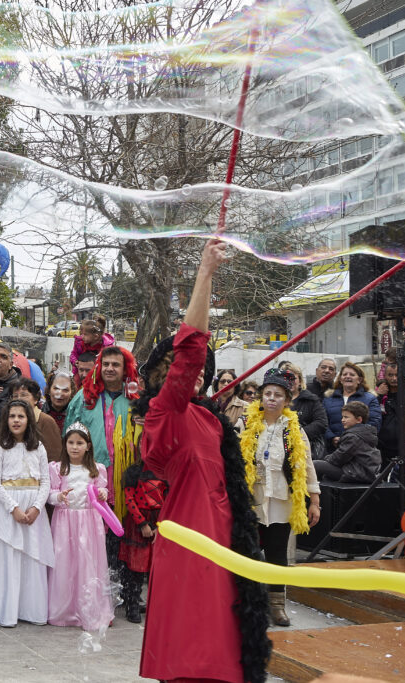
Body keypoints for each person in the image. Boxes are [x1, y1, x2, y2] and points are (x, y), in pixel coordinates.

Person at [137, 240, 271, 683]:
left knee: (229, 651)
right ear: (161, 376)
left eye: (198, 371)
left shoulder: (210, 419)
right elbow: (191, 348)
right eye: (176, 369)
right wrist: (205, 273)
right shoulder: (164, 413)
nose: (191, 372)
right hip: (193, 541)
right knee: (196, 653)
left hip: (228, 540)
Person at [237, 367, 320, 628]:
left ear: (286, 400)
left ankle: (277, 606)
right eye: (267, 394)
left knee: (277, 554)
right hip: (253, 499)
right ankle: (249, 604)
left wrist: (315, 500)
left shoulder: (293, 428)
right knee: (248, 552)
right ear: (260, 398)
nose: (272, 399)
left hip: (281, 501)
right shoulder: (246, 423)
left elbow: (307, 465)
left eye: (278, 395)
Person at [0, 400, 55, 628]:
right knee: (10, 558)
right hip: (9, 507)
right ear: (6, 420)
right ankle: (8, 612)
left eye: (21, 416)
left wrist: (37, 507)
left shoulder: (39, 448)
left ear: (29, 420)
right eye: (12, 416)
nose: (16, 420)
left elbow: (45, 481)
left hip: (33, 509)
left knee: (32, 558)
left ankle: (33, 611)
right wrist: (13, 508)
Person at [64, 345, 140, 529]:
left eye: (115, 364)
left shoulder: (135, 399)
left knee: (122, 530)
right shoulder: (84, 397)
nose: (109, 368)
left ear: (125, 369)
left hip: (126, 476)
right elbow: (67, 435)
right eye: (105, 364)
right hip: (90, 475)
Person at [47, 422, 113, 631]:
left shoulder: (96, 469)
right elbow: (49, 494)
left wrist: (103, 494)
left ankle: (90, 608)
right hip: (65, 522)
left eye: (80, 443)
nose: (75, 447)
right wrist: (58, 496)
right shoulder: (58, 468)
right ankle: (65, 610)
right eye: (71, 442)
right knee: (65, 562)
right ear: (65, 445)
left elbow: (103, 493)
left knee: (88, 563)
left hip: (89, 523)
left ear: (88, 446)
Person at [119, 451, 165, 624]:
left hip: (159, 521)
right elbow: (129, 499)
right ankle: (132, 603)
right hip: (138, 523)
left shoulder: (165, 473)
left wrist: (160, 526)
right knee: (136, 566)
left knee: (156, 567)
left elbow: (168, 500)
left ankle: (155, 604)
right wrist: (142, 523)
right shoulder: (133, 471)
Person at [314, 401, 381, 484]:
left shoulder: (354, 436)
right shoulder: (362, 433)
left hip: (358, 473)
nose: (342, 420)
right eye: (342, 417)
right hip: (362, 472)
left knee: (316, 465)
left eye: (346, 417)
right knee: (325, 474)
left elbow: (338, 458)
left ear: (359, 419)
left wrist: (326, 459)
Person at [323, 362, 381, 453]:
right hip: (333, 449)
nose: (347, 376)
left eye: (352, 374)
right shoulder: (329, 399)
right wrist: (332, 437)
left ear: (359, 380)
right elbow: (323, 421)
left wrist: (352, 439)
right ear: (340, 379)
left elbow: (374, 423)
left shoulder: (370, 399)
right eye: (344, 374)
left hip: (360, 449)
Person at [279, 361, 329, 461]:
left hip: (306, 450)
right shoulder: (277, 401)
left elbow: (321, 423)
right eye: (286, 378)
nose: (290, 381)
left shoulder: (311, 399)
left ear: (300, 381)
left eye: (293, 378)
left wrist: (298, 434)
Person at [10, 378, 62, 462]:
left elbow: (54, 457)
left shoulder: (46, 421)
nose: (19, 399)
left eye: (24, 395)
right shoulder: (9, 421)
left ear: (36, 399)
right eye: (15, 396)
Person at [377, 362, 405, 472]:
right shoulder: (380, 394)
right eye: (390, 375)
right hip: (385, 445)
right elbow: (373, 413)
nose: (394, 379)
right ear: (385, 376)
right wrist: (379, 395)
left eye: (397, 375)